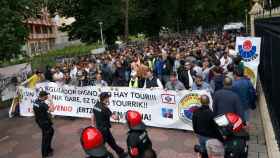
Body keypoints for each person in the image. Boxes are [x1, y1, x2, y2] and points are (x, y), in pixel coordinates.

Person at [91, 92, 127, 158]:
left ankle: (121, 153)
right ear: (105, 98)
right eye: (108, 97)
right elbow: (114, 117)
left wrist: (93, 125)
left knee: (111, 142)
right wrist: (118, 116)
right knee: (101, 145)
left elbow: (93, 115)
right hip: (104, 130)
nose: (109, 99)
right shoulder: (105, 109)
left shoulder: (96, 105)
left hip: (99, 128)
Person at [33, 91, 54, 158]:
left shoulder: (36, 101)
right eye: (47, 96)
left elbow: (34, 111)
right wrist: (51, 101)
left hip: (40, 121)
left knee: (51, 132)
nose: (47, 97)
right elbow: (52, 109)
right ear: (44, 96)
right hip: (44, 122)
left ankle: (49, 149)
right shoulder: (42, 104)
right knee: (46, 137)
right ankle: (45, 154)